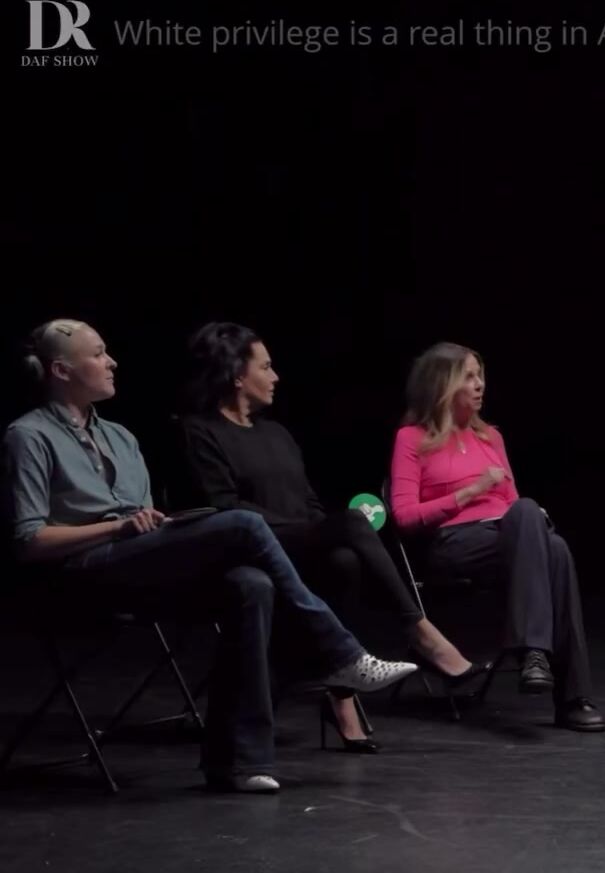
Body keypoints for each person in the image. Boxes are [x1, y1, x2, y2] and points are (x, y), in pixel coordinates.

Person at [3, 319, 417, 792]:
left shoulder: (121, 437)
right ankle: (340, 651)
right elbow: (29, 542)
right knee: (244, 523)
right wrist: (118, 527)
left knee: (251, 583)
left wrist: (153, 523)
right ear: (61, 370)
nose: (111, 362)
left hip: (134, 563)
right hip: (78, 575)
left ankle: (237, 762)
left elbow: (142, 517)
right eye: (97, 354)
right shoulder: (28, 436)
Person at [176, 322, 486, 753]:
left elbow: (309, 502)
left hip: (297, 548)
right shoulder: (199, 431)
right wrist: (312, 531)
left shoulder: (276, 433)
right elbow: (223, 506)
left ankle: (340, 694)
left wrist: (319, 533)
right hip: (246, 548)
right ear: (236, 374)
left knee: (345, 560)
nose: (275, 376)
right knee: (354, 523)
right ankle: (419, 633)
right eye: (265, 367)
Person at [389, 342, 605, 732]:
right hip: (454, 545)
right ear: (441, 384)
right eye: (469, 377)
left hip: (507, 539)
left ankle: (542, 663)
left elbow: (512, 503)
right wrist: (470, 492)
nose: (480, 385)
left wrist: (529, 517)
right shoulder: (411, 438)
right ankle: (565, 690)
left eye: (481, 376)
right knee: (549, 542)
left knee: (547, 537)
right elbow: (403, 517)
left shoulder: (491, 437)